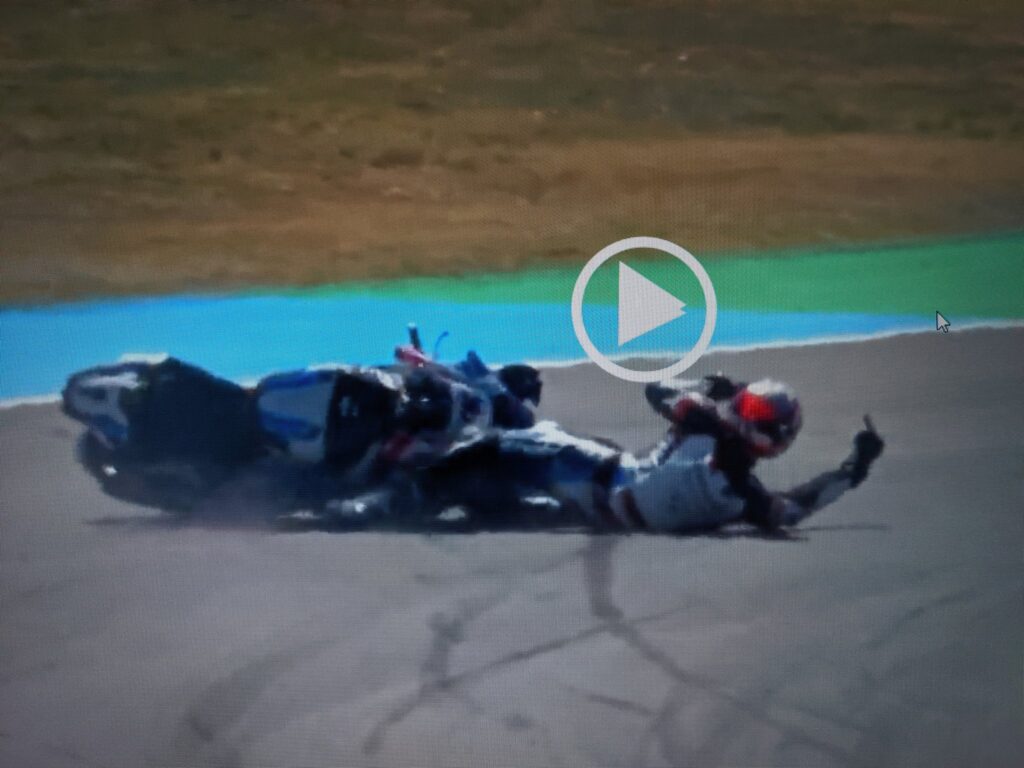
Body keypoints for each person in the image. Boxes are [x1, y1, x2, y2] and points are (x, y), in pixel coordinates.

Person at [420, 374, 884, 533]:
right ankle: (421, 474)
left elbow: (657, 389)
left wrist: (712, 387)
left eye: (758, 419)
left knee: (506, 457)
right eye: (750, 410)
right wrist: (853, 469)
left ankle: (412, 487)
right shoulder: (736, 476)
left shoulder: (742, 487)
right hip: (604, 490)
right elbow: (656, 390)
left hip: (599, 490)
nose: (747, 423)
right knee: (519, 446)